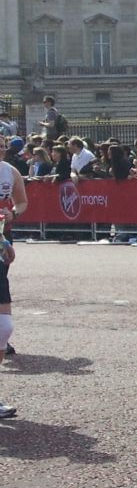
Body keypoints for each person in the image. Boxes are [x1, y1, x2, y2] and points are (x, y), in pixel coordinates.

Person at [0, 153, 31, 405]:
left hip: (1, 239)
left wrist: (14, 215)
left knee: (4, 327)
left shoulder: (10, 171)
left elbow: (21, 202)